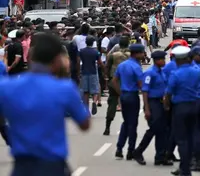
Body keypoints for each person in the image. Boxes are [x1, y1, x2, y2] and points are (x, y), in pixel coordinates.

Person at [0, 32, 90, 176]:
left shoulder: (7, 87)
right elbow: (84, 124)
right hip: (53, 165)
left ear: (29, 58)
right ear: (56, 60)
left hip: (21, 167)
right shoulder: (65, 88)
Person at [165, 46, 200, 176]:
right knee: (191, 136)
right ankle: (187, 166)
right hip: (193, 105)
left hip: (180, 107)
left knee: (181, 140)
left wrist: (167, 106)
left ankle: (185, 170)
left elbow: (169, 93)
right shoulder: (197, 71)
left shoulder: (175, 74)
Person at [133, 51, 173, 166]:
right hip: (153, 103)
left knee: (163, 131)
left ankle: (160, 157)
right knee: (155, 128)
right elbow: (145, 91)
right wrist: (147, 108)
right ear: (156, 60)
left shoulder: (162, 73)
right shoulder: (150, 73)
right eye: (162, 59)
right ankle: (138, 151)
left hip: (162, 103)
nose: (164, 61)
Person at [112, 44, 145, 160]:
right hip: (132, 96)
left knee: (126, 122)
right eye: (142, 52)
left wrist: (120, 93)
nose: (143, 55)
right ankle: (130, 150)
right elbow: (141, 85)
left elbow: (114, 81)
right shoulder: (136, 67)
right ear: (137, 54)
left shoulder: (122, 65)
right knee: (133, 124)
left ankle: (119, 148)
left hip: (124, 96)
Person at [103, 36, 130, 135]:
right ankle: (128, 126)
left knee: (112, 104)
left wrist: (107, 77)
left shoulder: (113, 55)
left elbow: (107, 67)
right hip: (127, 82)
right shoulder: (131, 55)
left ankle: (107, 127)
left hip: (113, 81)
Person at [78, 36, 104, 115]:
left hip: (84, 72)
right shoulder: (95, 52)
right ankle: (94, 101)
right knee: (95, 90)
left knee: (85, 92)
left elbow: (78, 61)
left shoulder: (81, 51)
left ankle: (87, 110)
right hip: (93, 72)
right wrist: (104, 69)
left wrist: (78, 71)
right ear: (93, 43)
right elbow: (100, 62)